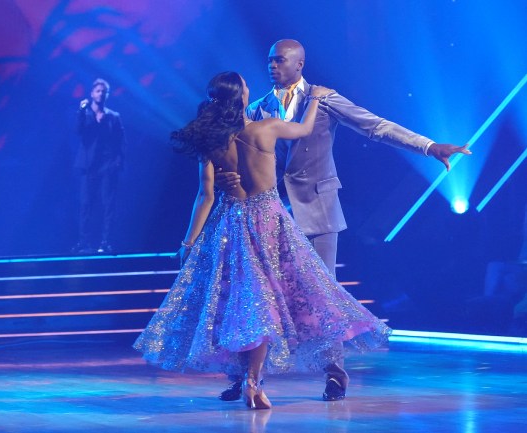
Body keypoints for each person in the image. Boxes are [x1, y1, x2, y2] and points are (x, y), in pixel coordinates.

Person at [215, 39, 472, 402]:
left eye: (280, 60)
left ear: (299, 64)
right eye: (270, 60)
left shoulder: (323, 99)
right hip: (270, 213)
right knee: (256, 296)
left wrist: (428, 147)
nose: (272, 66)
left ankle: (335, 375)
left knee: (324, 295)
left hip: (317, 209)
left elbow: (376, 126)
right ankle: (246, 378)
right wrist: (225, 178)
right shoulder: (257, 108)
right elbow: (235, 154)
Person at [133, 71, 391, 410]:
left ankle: (250, 379)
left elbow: (205, 196)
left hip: (230, 224)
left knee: (243, 305)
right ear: (241, 97)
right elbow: (304, 129)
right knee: (266, 303)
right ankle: (252, 381)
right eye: (245, 87)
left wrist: (188, 243)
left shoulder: (211, 142)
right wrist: (315, 99)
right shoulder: (266, 128)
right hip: (269, 222)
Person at [72, 78, 126, 254]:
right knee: (86, 204)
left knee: (108, 205)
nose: (101, 94)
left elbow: (120, 141)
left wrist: (118, 162)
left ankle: (106, 241)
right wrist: (81, 111)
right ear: (92, 93)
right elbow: (78, 131)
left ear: (107, 95)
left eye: (104, 91)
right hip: (89, 166)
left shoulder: (113, 116)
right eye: (98, 91)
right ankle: (83, 242)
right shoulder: (85, 113)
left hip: (108, 166)